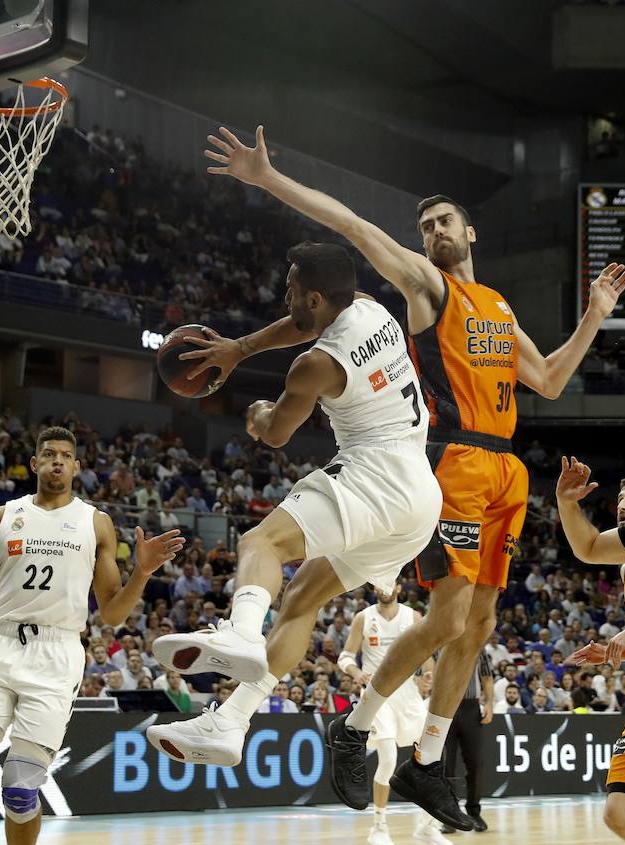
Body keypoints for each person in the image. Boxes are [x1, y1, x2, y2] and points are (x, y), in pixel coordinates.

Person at [170, 123, 625, 826]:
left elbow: (551, 379)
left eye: (444, 221)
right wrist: (269, 180)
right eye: (424, 225)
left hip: (505, 469)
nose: (433, 231)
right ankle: (359, 727)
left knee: (475, 627)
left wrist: (594, 315)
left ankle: (425, 763)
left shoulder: (500, 310)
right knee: (441, 616)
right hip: (445, 461)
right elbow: (351, 227)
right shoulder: (426, 289)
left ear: (470, 232)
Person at [148, 241, 442, 768]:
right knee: (301, 599)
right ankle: (230, 723)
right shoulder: (372, 309)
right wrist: (239, 348)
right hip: (419, 495)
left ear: (311, 296)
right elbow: (301, 325)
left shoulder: (314, 367)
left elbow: (278, 434)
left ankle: (239, 632)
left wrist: (260, 412)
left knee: (261, 542)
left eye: (289, 291)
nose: (284, 298)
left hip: (375, 475)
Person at [0, 426, 184, 845]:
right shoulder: (4, 516)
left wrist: (141, 572)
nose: (57, 462)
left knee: (20, 790)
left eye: (65, 455)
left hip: (57, 654)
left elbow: (113, 612)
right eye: (48, 454)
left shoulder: (95, 523)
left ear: (77, 467)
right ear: (35, 463)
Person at [555, 457, 625, 845]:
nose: (623, 505)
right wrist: (567, 502)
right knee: (617, 815)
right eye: (621, 498)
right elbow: (587, 547)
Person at [336, 582, 448, 845]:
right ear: (374, 587)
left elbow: (426, 654)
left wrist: (428, 675)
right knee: (388, 757)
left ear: (398, 585)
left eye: (390, 581)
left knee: (431, 755)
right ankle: (378, 827)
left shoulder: (413, 617)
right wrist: (355, 673)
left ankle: (427, 825)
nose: (384, 587)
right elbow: (345, 656)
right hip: (377, 694)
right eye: (379, 582)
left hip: (408, 694)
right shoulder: (364, 617)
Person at [443, 652, 493, 834]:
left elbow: (487, 678)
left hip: (471, 707)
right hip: (444, 705)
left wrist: (489, 704)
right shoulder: (439, 644)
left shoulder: (479, 647)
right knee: (446, 765)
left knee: (475, 763)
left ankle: (474, 811)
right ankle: (450, 815)